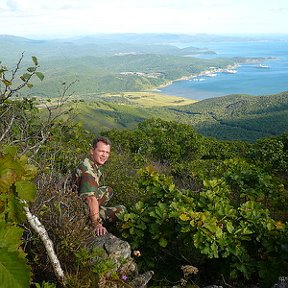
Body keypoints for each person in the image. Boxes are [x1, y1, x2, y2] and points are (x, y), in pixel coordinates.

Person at [73, 136, 126, 236]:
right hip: (76, 211)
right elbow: (90, 198)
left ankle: (94, 211)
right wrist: (97, 224)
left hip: (77, 200)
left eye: (107, 152)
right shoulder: (88, 170)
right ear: (92, 151)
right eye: (101, 151)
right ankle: (90, 220)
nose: (104, 155)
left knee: (108, 191)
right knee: (121, 210)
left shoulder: (91, 163)